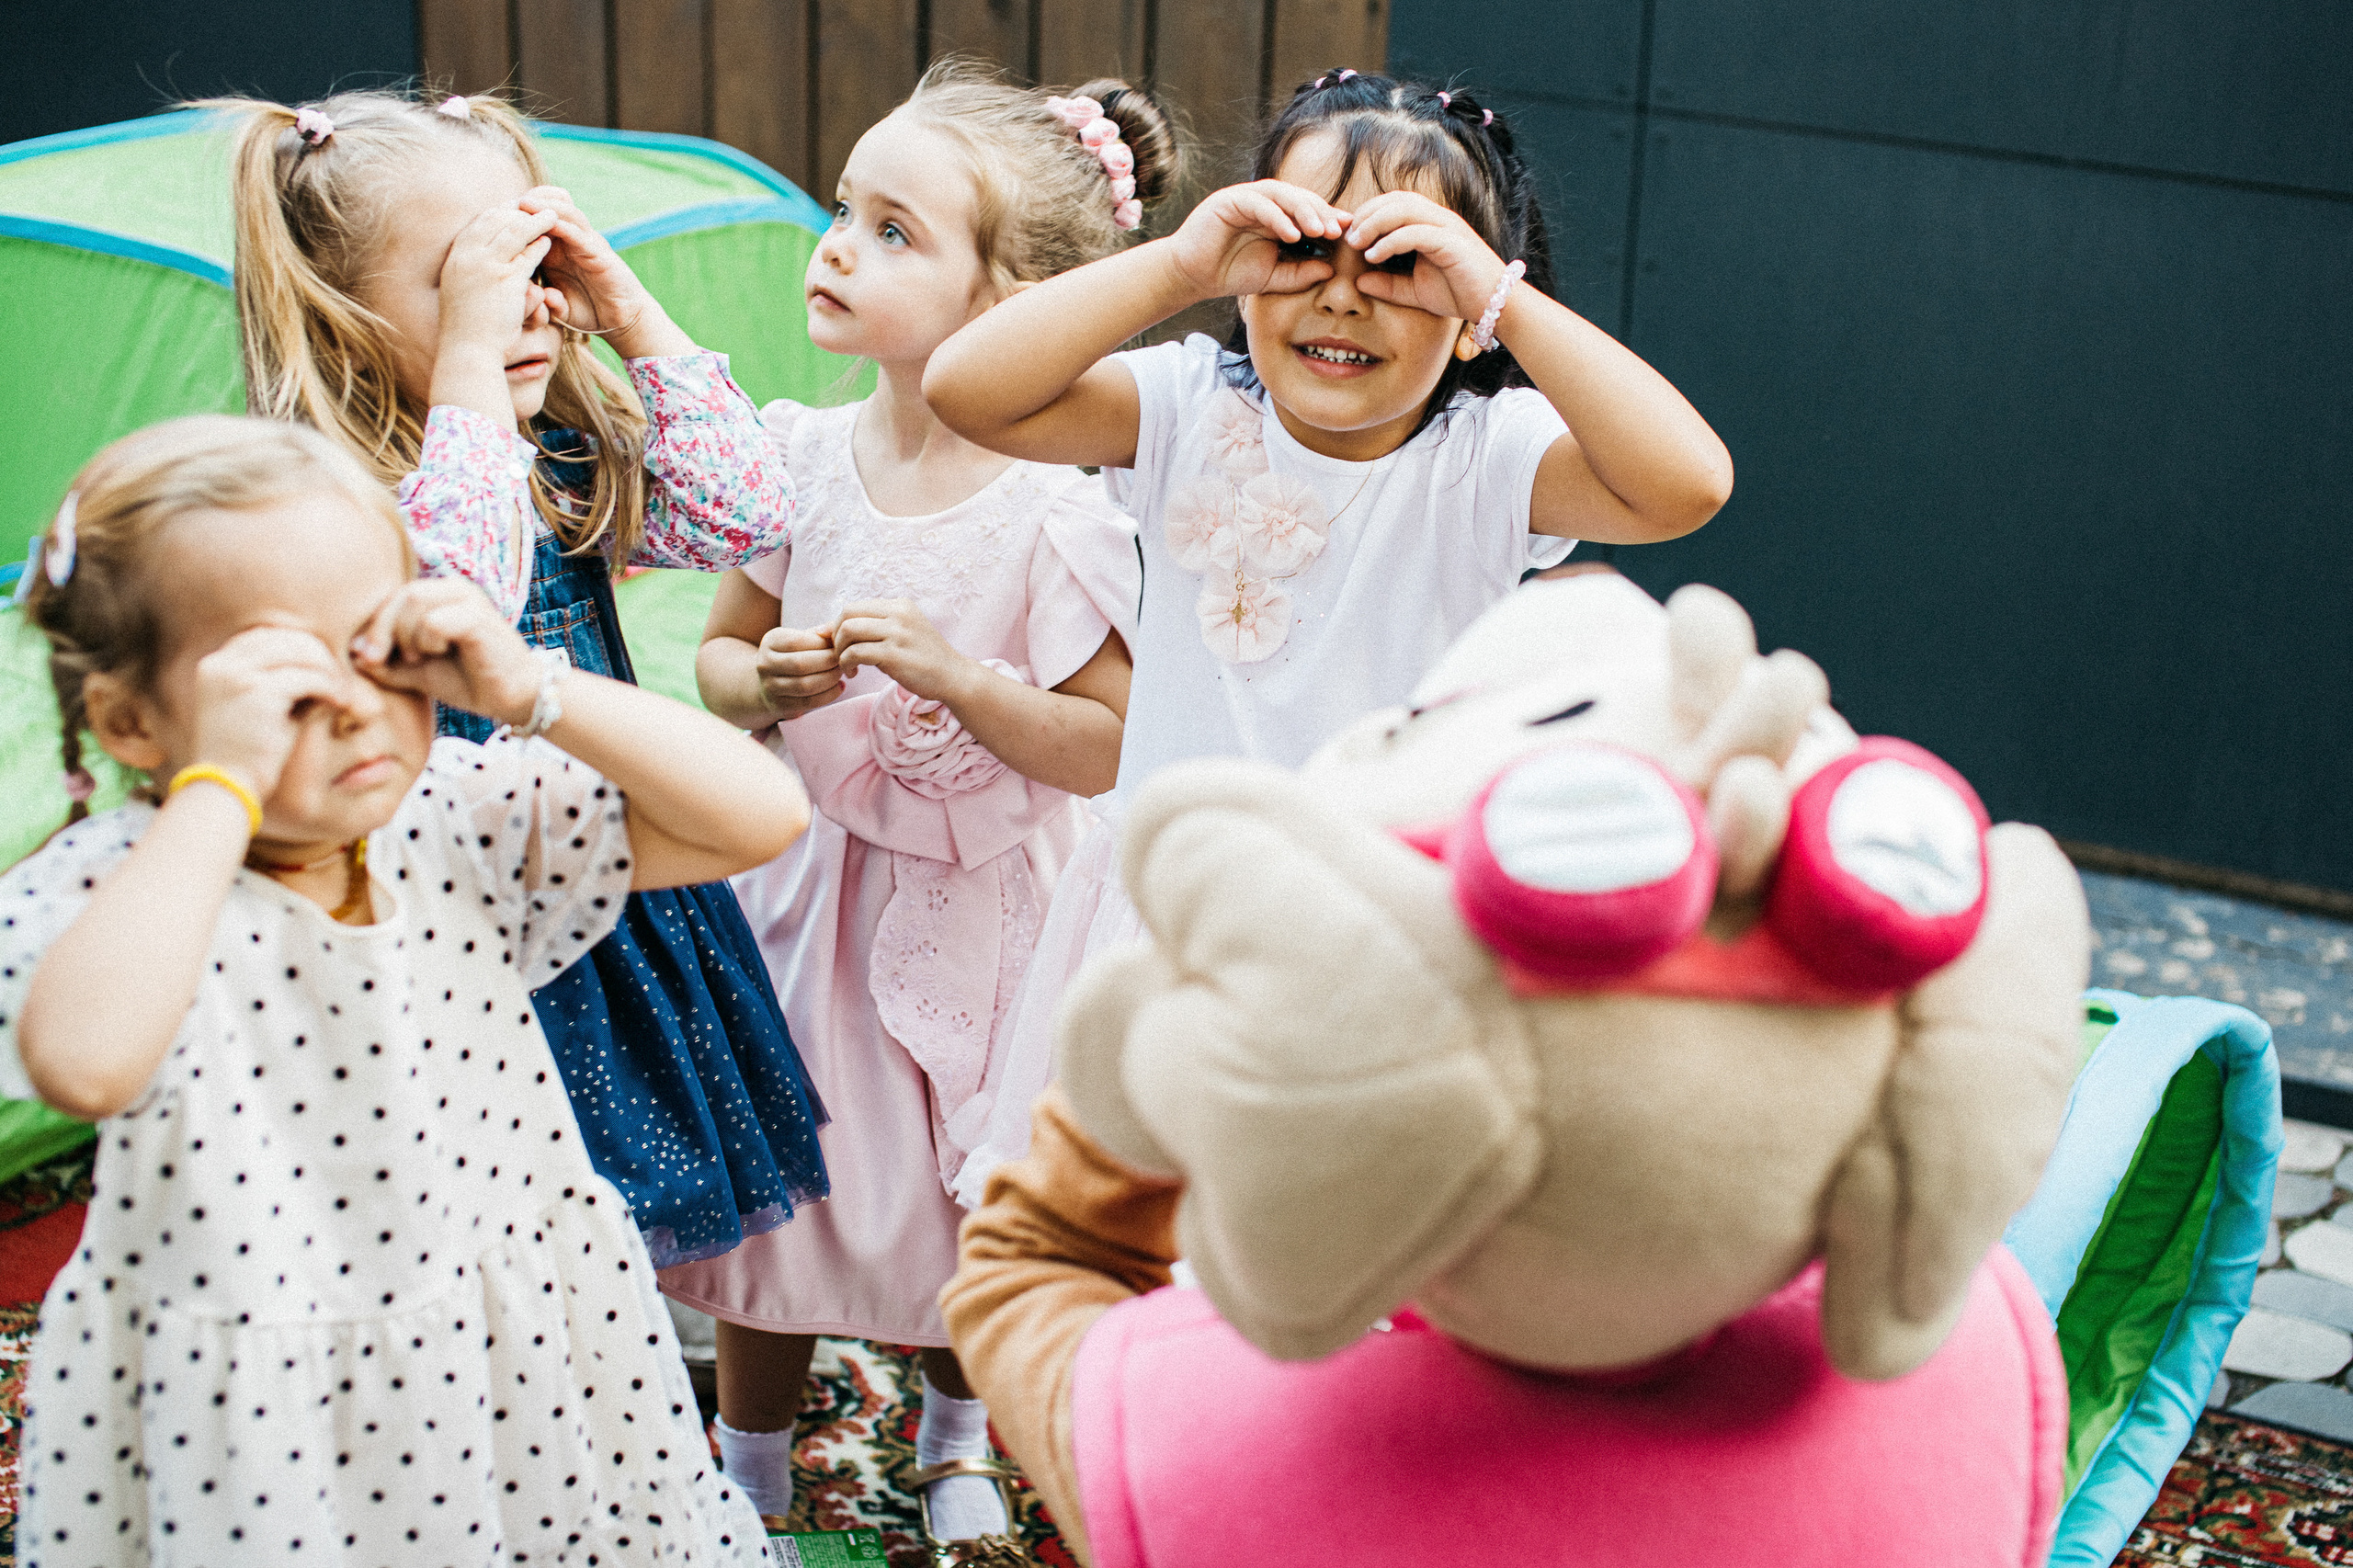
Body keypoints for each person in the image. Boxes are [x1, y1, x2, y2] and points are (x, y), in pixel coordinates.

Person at [925, 67, 1736, 1205]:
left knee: (1304, 1249)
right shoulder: (1182, 408)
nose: (1343, 297)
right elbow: (966, 389)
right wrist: (1179, 264)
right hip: (1166, 914)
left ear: (1466, 323)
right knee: (1107, 1241)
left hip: (1376, 937)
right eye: (1306, 250)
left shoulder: (1488, 458)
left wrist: (1501, 300)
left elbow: (1689, 484)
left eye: (1403, 265)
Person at [1, 415, 804, 1563]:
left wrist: (531, 686)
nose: (352, 705)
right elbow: (84, 1059)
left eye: (380, 651)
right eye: (281, 681)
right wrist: (220, 784)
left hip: (505, 1340)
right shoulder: (124, 890)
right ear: (133, 721)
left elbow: (757, 815)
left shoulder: (459, 818)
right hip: (270, 1394)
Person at [208, 89, 829, 1290]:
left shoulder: (557, 441)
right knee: (474, 1197)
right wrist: (469, 375)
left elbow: (753, 513)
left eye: (532, 263)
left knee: (621, 1167)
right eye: (466, 282)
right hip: (438, 904)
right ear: (336, 311)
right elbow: (465, 598)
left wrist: (630, 309)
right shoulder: (318, 493)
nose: (523, 312)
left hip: (614, 858)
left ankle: (614, 1347)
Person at [662, 60, 1154, 1548]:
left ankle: (953, 1436)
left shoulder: (1057, 503)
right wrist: (768, 684)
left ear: (1005, 303)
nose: (834, 247)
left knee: (962, 1189)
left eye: (892, 230)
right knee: (787, 1187)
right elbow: (715, 659)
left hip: (992, 906)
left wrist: (961, 678)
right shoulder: (802, 458)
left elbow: (1101, 744)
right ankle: (749, 1457)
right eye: (841, 211)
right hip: (814, 888)